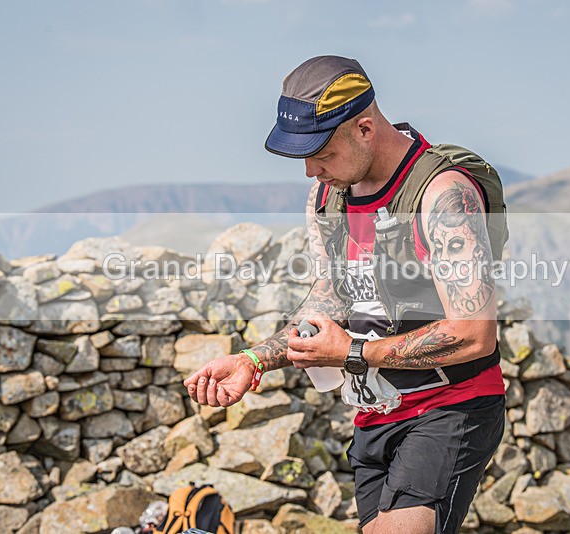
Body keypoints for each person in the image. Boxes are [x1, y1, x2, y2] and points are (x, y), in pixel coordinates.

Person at [184, 56, 506, 534]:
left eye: (322, 153)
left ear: (365, 129)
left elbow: (474, 334)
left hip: (451, 406)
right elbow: (330, 298)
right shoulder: (327, 198)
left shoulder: (443, 195)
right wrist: (253, 360)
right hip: (374, 415)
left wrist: (354, 351)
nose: (310, 170)